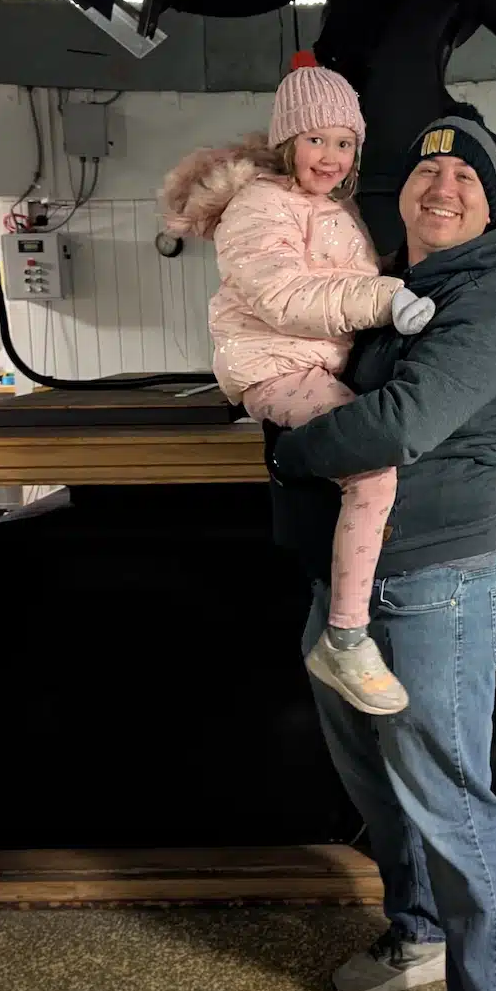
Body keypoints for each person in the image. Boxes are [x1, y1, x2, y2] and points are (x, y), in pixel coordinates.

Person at [264, 102, 496, 991]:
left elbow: (396, 425)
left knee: (451, 801)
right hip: (349, 583)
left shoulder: (482, 305)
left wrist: (287, 451)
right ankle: (419, 932)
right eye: (426, 174)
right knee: (376, 780)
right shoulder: (399, 293)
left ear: (487, 197)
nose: (441, 187)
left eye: (463, 174)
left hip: (434, 586)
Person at [159, 58, 434, 716]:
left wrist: (405, 275)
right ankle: (346, 636)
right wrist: (388, 296)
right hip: (275, 368)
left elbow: (343, 277)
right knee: (372, 469)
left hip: (310, 364)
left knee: (373, 464)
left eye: (344, 142)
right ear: (287, 141)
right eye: (316, 139)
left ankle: (351, 597)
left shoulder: (326, 208)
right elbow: (286, 296)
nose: (331, 155)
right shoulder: (260, 205)